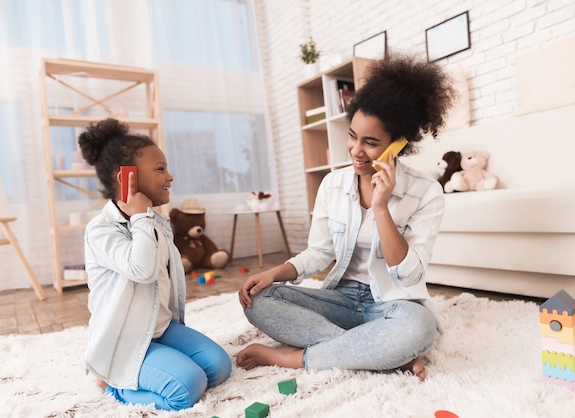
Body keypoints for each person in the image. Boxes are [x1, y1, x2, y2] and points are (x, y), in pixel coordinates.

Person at [236, 53, 455, 381]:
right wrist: (275, 273)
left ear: (397, 145)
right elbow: (319, 252)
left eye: (370, 142)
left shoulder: (426, 193)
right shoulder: (333, 184)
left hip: (393, 304)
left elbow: (409, 276)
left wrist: (381, 207)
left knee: (418, 329)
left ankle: (293, 358)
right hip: (341, 298)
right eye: (352, 135)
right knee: (261, 299)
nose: (355, 150)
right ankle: (381, 353)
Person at [79, 118, 231, 411]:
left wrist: (144, 217)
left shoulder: (158, 221)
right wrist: (139, 217)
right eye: (161, 169)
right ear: (126, 177)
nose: (170, 177)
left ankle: (157, 362)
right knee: (186, 389)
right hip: (125, 339)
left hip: (160, 329)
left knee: (219, 368)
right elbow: (142, 269)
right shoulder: (101, 230)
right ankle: (112, 383)